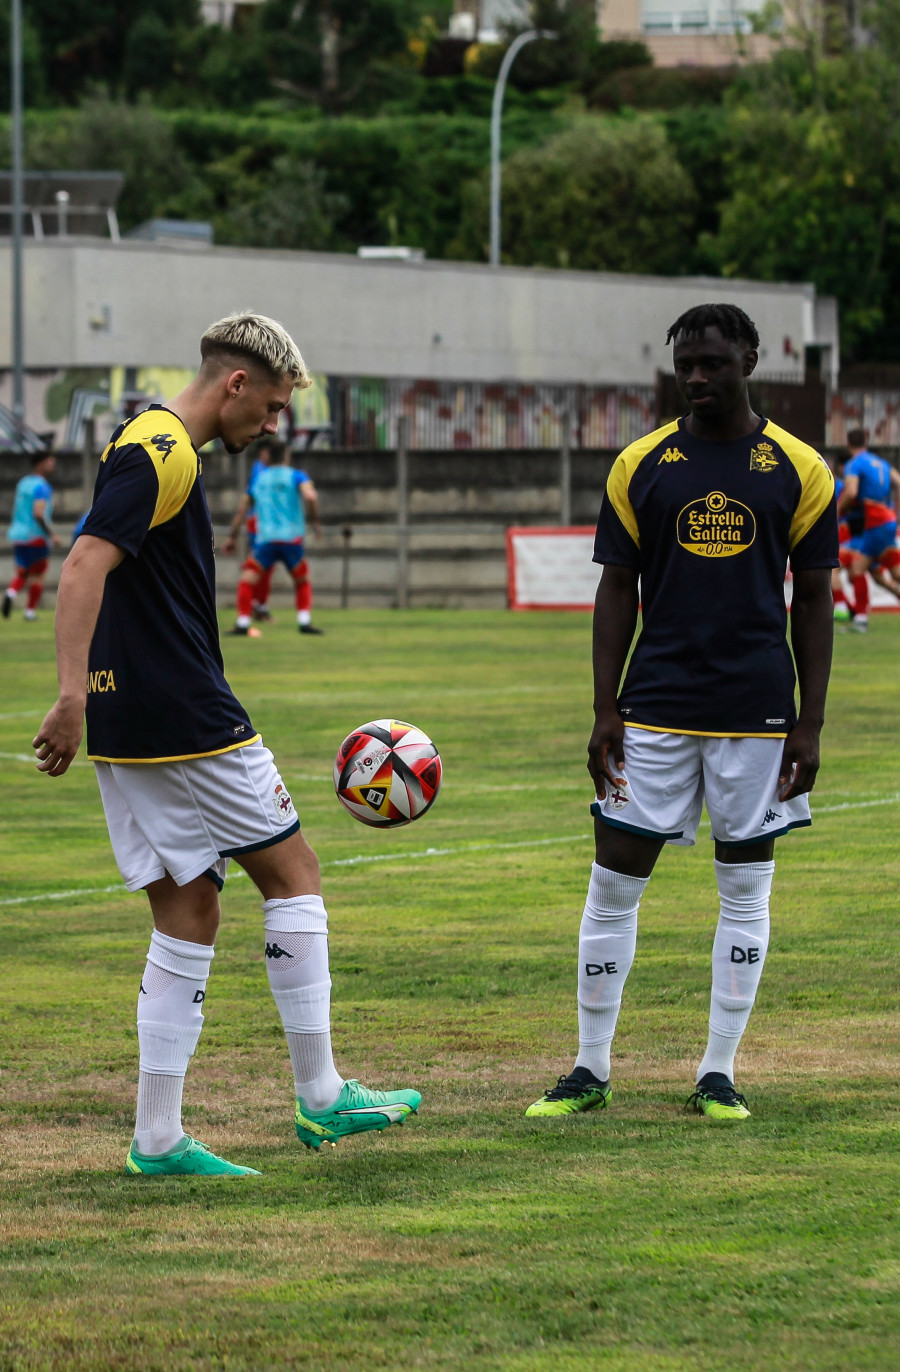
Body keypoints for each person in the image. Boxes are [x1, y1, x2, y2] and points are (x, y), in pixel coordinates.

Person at [32, 312, 419, 1177]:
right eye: (275, 407)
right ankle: (321, 1097)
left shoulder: (155, 444)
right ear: (236, 384)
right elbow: (85, 562)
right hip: (184, 716)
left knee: (189, 910)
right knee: (295, 873)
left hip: (133, 722)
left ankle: (158, 1139)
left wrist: (87, 699)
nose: (273, 424)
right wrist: (65, 696)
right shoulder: (163, 449)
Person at [526, 303, 837, 1124]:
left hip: (757, 714)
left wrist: (809, 721)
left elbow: (812, 598)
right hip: (654, 710)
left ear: (750, 360)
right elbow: (615, 588)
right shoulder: (641, 464)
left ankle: (718, 1072)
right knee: (611, 888)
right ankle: (590, 1069)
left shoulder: (800, 469)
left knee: (746, 894)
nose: (697, 377)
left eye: (712, 363)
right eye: (685, 365)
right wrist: (605, 707)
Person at [225, 439, 323, 637]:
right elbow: (311, 497)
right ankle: (304, 622)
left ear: (267, 457)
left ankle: (243, 623)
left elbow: (242, 512)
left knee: (247, 580)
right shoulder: (297, 476)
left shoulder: (259, 479)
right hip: (291, 540)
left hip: (266, 540)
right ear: (286, 456)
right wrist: (314, 521)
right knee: (302, 580)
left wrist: (232, 537)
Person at [834, 429, 900, 633]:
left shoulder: (855, 463)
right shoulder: (881, 463)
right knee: (891, 573)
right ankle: (855, 615)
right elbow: (898, 482)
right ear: (867, 440)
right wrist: (894, 511)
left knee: (856, 569)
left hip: (875, 522)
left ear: (848, 444)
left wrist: (836, 512)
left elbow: (851, 492)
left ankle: (859, 620)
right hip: (887, 521)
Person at [222, 438, 276, 631]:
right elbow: (251, 499)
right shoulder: (261, 470)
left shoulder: (268, 470)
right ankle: (251, 611)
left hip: (266, 525)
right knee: (256, 569)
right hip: (259, 525)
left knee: (264, 570)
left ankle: (258, 606)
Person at [3, 452, 61, 621]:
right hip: (36, 536)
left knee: (23, 571)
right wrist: (52, 534)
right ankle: (30, 612)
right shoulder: (42, 487)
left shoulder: (23, 483)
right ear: (40, 463)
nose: (52, 465)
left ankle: (11, 593)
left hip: (18, 534)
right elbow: (38, 513)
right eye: (50, 461)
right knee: (39, 575)